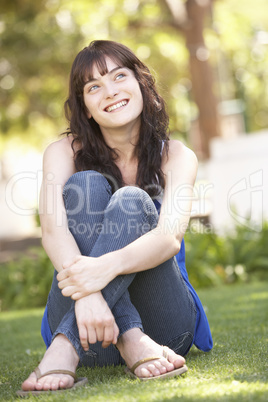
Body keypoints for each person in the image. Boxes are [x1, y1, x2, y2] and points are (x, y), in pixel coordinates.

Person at [18, 40, 212, 396]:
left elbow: (169, 238)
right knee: (86, 184)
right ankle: (130, 338)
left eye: (119, 76)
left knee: (132, 201)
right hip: (90, 333)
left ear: (141, 83)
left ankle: (64, 343)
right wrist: (90, 295)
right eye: (94, 87)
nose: (109, 92)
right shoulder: (62, 153)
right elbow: (52, 231)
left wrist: (102, 268)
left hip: (164, 329)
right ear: (86, 108)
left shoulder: (177, 156)